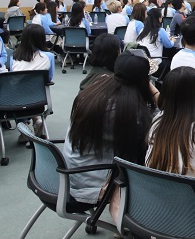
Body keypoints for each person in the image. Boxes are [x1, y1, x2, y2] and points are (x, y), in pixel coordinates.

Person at [64, 54, 156, 207]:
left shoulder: (95, 90)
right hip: (92, 183)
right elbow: (150, 135)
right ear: (143, 82)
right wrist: (154, 92)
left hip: (73, 172)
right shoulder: (126, 111)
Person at [10, 24, 55, 141]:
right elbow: (48, 79)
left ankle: (24, 126)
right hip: (38, 98)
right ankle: (37, 120)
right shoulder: (48, 56)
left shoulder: (14, 57)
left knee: (20, 91)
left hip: (15, 101)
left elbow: (12, 79)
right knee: (32, 91)